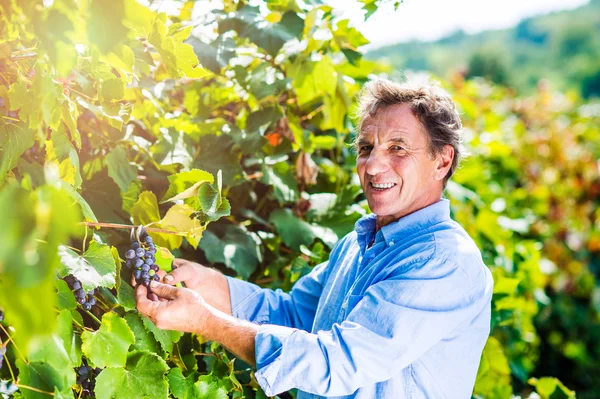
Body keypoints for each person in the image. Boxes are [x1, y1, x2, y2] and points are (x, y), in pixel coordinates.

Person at [135, 79, 494, 399]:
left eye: (398, 149)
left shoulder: (443, 261)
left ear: (442, 161)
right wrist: (212, 285)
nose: (372, 166)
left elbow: (338, 363)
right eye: (366, 148)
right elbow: (293, 316)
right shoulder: (357, 245)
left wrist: (206, 321)